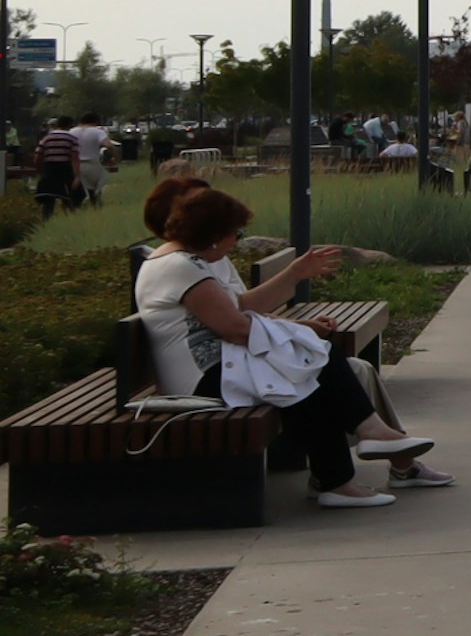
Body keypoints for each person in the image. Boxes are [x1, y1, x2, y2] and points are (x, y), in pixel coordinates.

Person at [133, 189, 410, 510]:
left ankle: (341, 475)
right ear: (213, 235)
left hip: (216, 367)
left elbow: (238, 308)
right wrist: (292, 335)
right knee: (314, 361)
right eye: (235, 233)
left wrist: (293, 294)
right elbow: (234, 327)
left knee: (312, 368)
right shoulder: (181, 267)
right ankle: (356, 456)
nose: (236, 241)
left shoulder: (183, 261)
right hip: (202, 379)